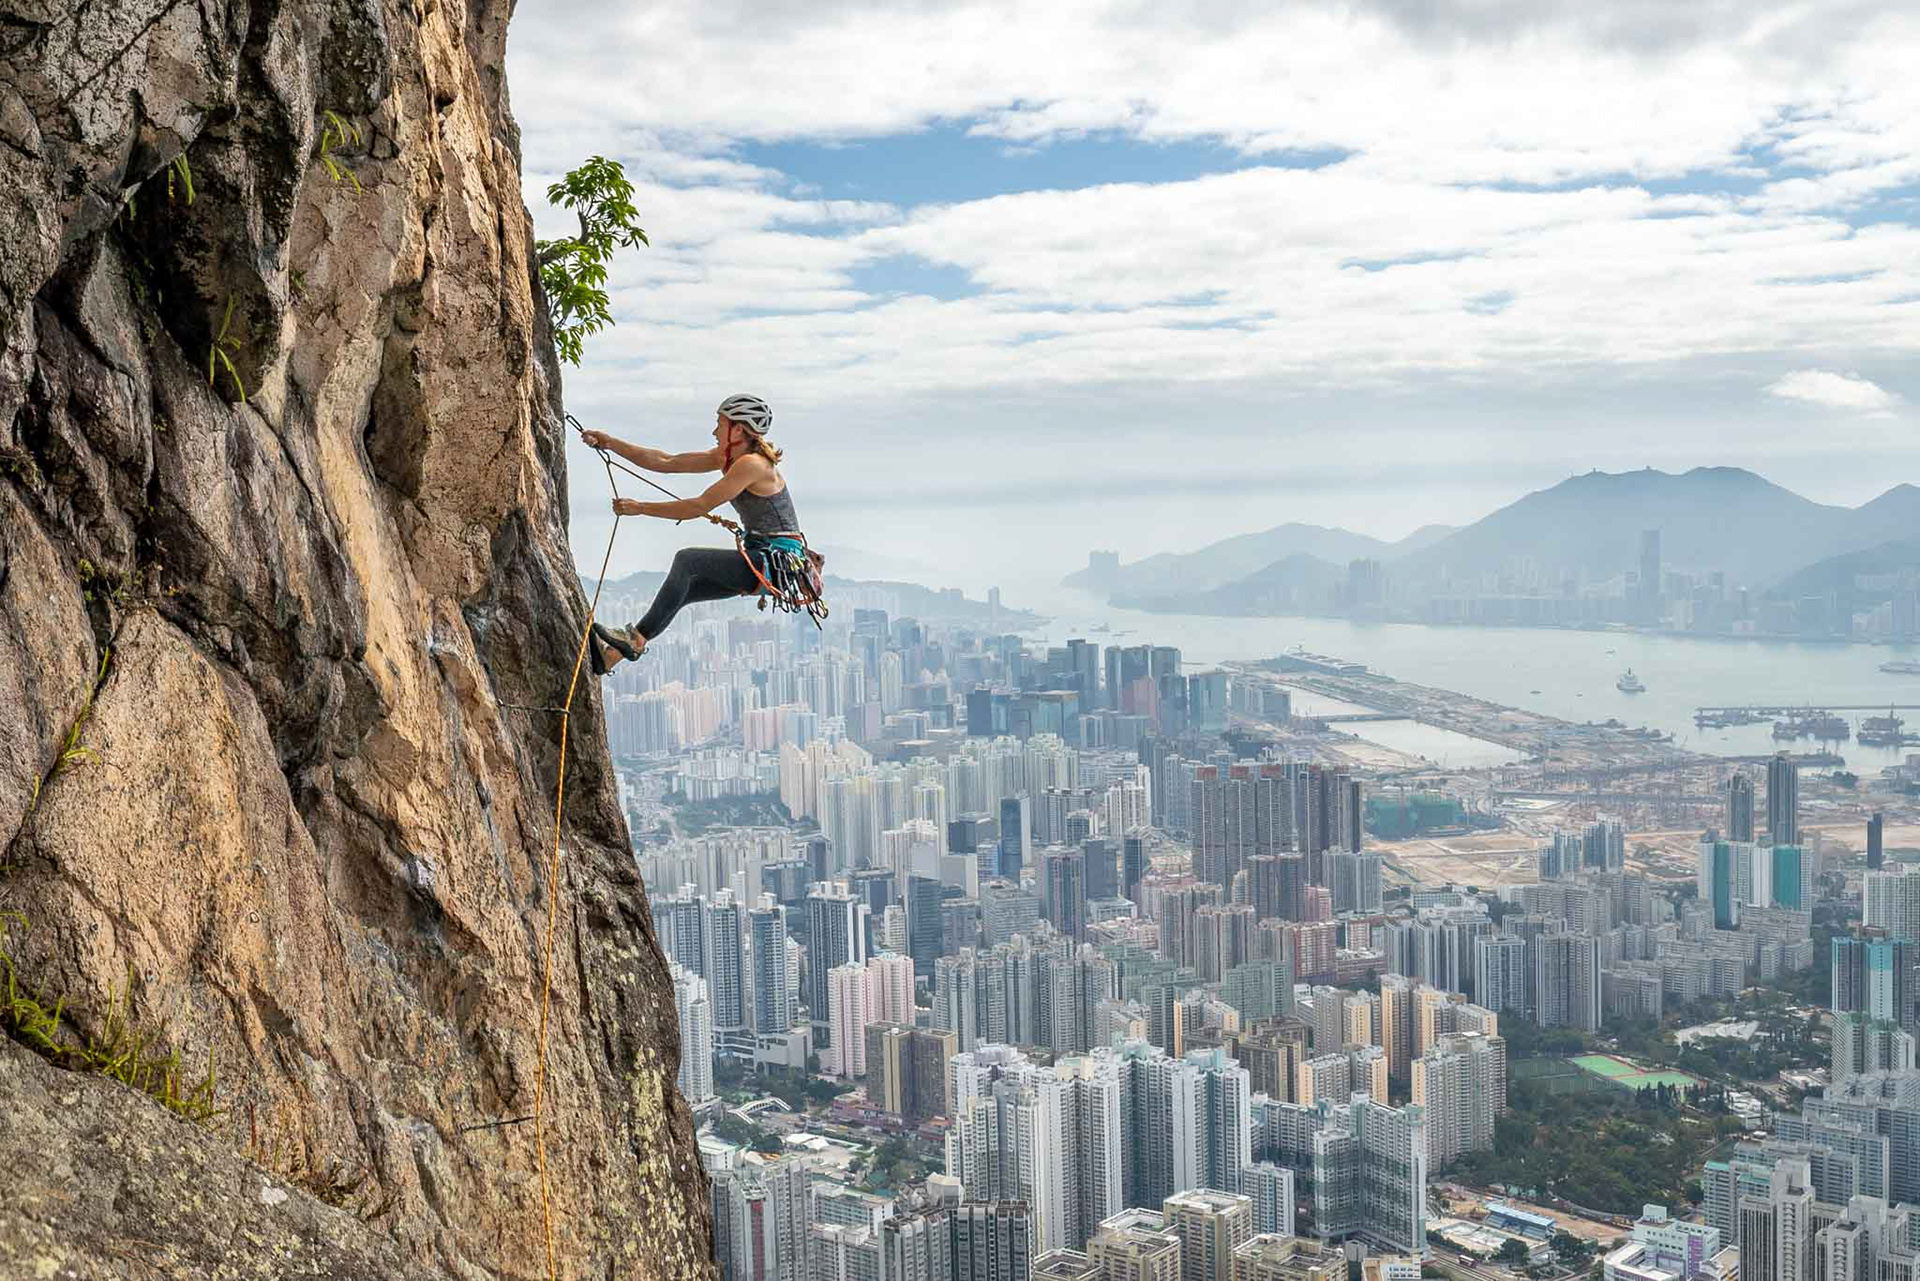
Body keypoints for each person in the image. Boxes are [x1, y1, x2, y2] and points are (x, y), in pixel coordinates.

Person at [578, 394, 810, 673]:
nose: (714, 431)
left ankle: (632, 642)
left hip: (774, 562)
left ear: (738, 430)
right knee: (686, 589)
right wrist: (610, 443)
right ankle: (613, 655)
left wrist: (641, 508)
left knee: (687, 561)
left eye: (720, 424)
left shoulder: (752, 464)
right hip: (767, 561)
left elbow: (699, 505)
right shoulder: (728, 458)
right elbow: (666, 461)